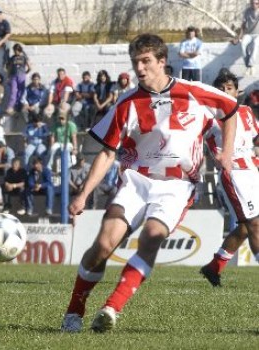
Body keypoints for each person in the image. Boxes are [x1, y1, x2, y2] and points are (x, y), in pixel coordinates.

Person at [60, 33, 237, 333]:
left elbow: (230, 107)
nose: (139, 68)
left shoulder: (192, 92)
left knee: (152, 237)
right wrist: (83, 194)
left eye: (145, 61)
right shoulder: (127, 102)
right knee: (103, 245)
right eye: (135, 62)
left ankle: (111, 308)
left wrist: (227, 154)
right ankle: (74, 311)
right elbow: (107, 152)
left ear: (162, 61)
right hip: (136, 180)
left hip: (176, 185)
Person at [200, 71, 259, 287]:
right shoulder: (208, 116)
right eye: (221, 89)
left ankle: (213, 267)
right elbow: (193, 139)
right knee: (254, 223)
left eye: (229, 88)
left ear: (237, 91)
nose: (225, 92)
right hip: (233, 173)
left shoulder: (246, 112)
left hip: (253, 171)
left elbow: (256, 139)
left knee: (245, 227)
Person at [231, 0, 259, 75]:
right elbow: (243, 25)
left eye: (256, 3)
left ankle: (251, 65)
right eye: (252, 3)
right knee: (243, 44)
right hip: (248, 33)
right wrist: (239, 37)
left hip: (258, 34)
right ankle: (248, 65)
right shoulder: (247, 11)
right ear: (250, 3)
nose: (254, 5)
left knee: (255, 44)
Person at [5, 43, 31, 115]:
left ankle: (18, 107)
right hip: (13, 76)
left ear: (20, 50)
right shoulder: (12, 58)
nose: (15, 52)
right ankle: (10, 106)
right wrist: (8, 77)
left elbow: (29, 67)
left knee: (21, 92)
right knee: (13, 91)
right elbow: (9, 68)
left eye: (16, 50)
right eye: (14, 50)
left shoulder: (24, 57)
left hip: (21, 76)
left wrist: (25, 72)